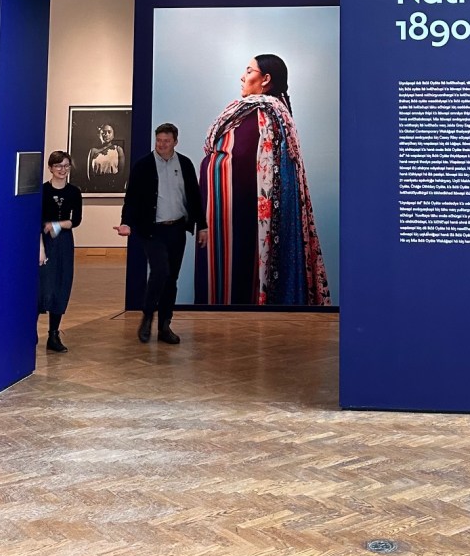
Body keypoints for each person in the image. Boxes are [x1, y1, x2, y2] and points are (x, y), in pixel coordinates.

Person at [196, 54, 331, 306]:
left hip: (248, 219)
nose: (242, 76)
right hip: (227, 219)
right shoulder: (252, 112)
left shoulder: (269, 116)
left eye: (249, 71)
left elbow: (247, 160)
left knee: (243, 274)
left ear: (266, 79)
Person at [115, 123, 207, 343]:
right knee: (160, 271)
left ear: (175, 142)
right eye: (159, 140)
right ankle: (148, 316)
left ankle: (165, 325)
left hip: (177, 229)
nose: (162, 144)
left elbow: (194, 197)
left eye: (167, 141)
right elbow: (132, 198)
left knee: (171, 278)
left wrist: (202, 225)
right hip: (152, 230)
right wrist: (126, 222)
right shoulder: (143, 165)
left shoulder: (184, 164)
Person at [38, 150, 83, 353]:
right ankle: (31, 331)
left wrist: (57, 225)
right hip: (44, 241)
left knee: (62, 283)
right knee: (43, 285)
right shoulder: (42, 191)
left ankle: (54, 334)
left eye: (66, 166)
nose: (62, 169)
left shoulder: (74, 192)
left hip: (64, 241)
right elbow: (37, 221)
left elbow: (76, 220)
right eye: (58, 166)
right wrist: (40, 247)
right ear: (50, 168)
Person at [87, 123, 126, 189]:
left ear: (113, 135)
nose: (106, 134)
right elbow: (89, 174)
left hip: (113, 185)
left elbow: (121, 172)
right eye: (104, 132)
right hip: (96, 186)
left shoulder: (118, 149)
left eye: (109, 132)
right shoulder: (93, 151)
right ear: (99, 135)